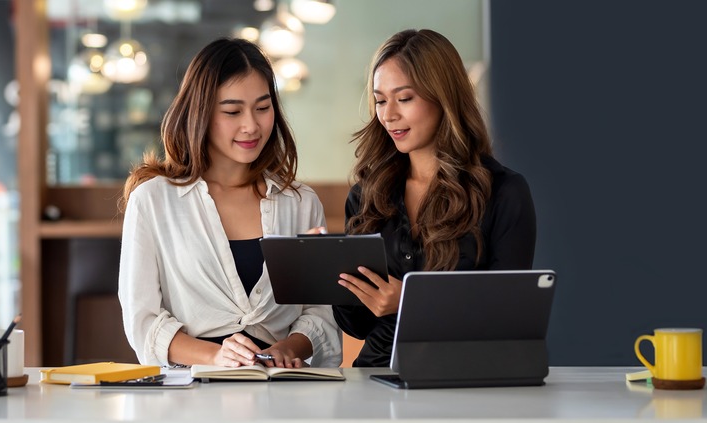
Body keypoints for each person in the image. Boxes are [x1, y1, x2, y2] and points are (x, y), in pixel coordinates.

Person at [118, 38, 342, 369]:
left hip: (280, 390)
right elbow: (143, 322)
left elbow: (320, 316)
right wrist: (217, 356)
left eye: (263, 108)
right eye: (232, 111)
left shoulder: (300, 203)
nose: (251, 125)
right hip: (190, 395)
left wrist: (286, 349)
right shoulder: (153, 201)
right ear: (201, 113)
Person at [333, 29, 536, 367]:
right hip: (376, 380)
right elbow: (357, 326)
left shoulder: (504, 192)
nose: (389, 115)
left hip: (466, 381)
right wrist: (334, 272)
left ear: (444, 97)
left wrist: (410, 301)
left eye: (405, 98)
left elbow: (508, 315)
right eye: (381, 100)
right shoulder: (366, 195)